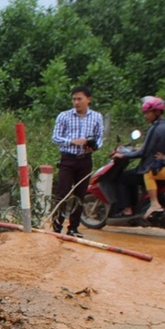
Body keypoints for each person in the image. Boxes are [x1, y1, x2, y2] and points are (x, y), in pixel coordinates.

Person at [51, 85, 105, 237]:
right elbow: (55, 137)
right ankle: (57, 226)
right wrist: (72, 141)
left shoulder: (96, 117)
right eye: (74, 99)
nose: (76, 102)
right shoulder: (64, 116)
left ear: (88, 99)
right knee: (63, 193)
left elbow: (99, 137)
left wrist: (94, 146)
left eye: (79, 99)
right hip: (67, 159)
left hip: (85, 160)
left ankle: (73, 228)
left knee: (80, 194)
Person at [110, 96, 165, 216]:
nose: (145, 116)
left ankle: (127, 210)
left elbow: (143, 153)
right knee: (130, 177)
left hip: (150, 167)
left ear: (156, 112)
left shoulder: (154, 128)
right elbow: (155, 147)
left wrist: (123, 156)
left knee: (123, 178)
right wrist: (137, 149)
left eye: (147, 113)